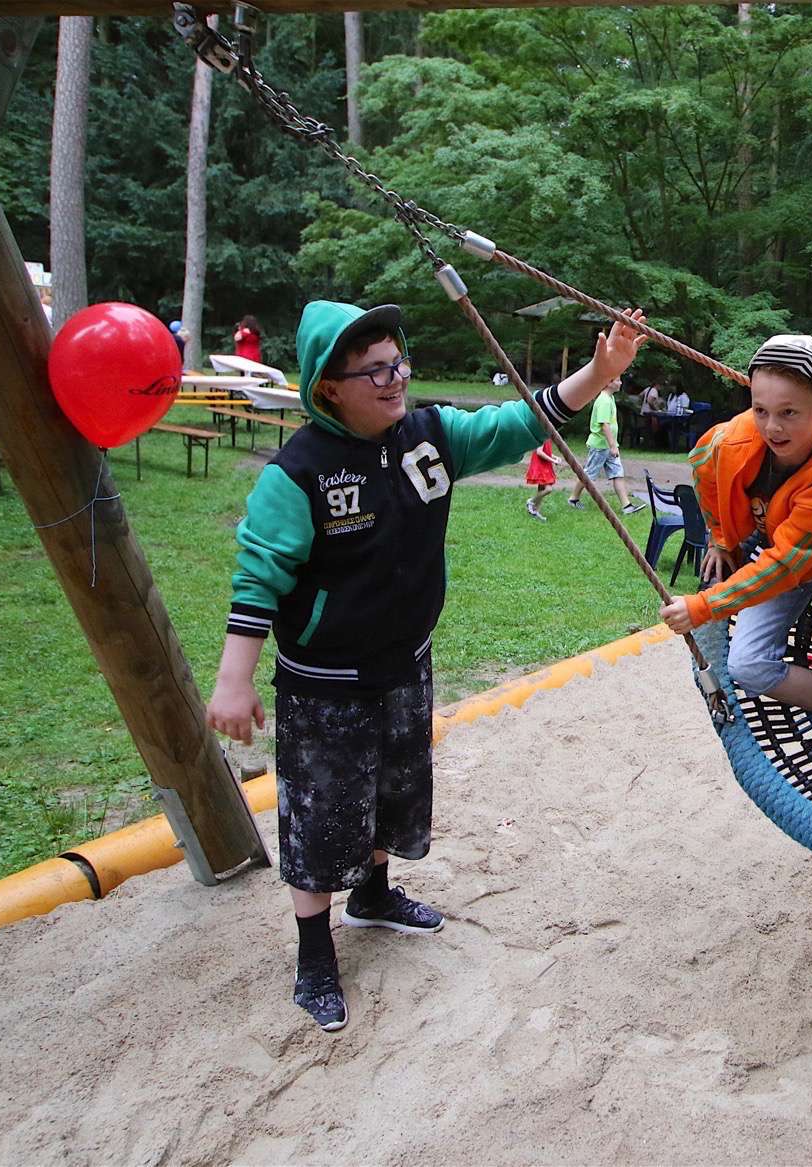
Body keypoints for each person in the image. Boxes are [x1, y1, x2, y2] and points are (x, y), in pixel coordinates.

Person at [204, 299, 648, 1031]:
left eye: (397, 362)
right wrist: (233, 679)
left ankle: (374, 895)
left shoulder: (430, 436)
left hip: (405, 662)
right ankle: (315, 953)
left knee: (395, 787)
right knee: (322, 815)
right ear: (328, 387)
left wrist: (599, 374)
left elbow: (518, 422)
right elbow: (259, 578)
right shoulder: (298, 474)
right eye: (374, 370)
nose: (395, 378)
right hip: (326, 683)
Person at [659, 335, 812, 768]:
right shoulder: (731, 442)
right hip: (787, 550)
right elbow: (704, 468)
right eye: (760, 410)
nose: (772, 427)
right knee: (746, 666)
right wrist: (720, 537)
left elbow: (783, 567)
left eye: (788, 413)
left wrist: (704, 606)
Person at [566, 376, 643, 514]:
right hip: (600, 445)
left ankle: (627, 506)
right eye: (617, 380)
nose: (620, 383)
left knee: (618, 474)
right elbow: (604, 425)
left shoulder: (610, 398)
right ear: (608, 383)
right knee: (589, 474)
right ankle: (573, 498)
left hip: (609, 445)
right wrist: (613, 446)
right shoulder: (603, 401)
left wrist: (613, 445)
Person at [523, 438, 565, 520]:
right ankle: (531, 501)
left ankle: (536, 512)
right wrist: (553, 461)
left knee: (541, 489)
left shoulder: (547, 436)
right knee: (548, 489)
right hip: (540, 466)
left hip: (544, 465)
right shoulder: (542, 435)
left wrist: (555, 457)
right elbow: (539, 452)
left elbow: (546, 452)